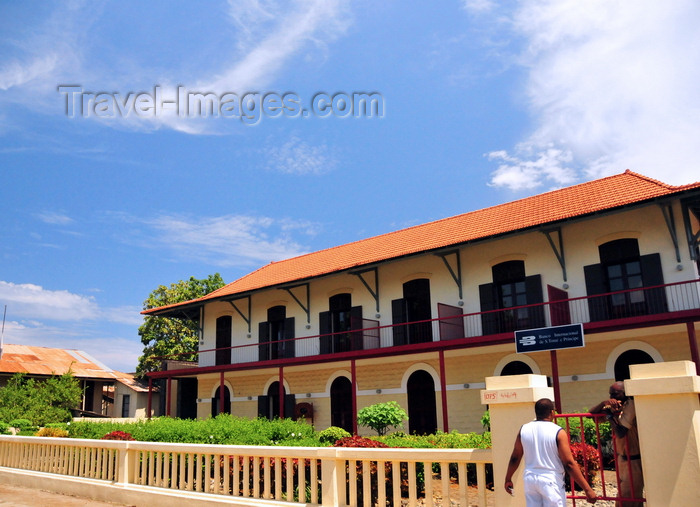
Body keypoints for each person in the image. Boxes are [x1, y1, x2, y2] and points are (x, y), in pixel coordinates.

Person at [505, 398, 597, 506]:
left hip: (530, 479)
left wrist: (508, 478)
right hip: (550, 480)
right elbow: (569, 463)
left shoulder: (524, 429)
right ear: (552, 412)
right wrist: (587, 489)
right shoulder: (558, 431)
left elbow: (515, 457)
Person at [589, 381, 643, 507]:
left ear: (625, 394)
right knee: (624, 496)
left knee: (628, 497)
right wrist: (603, 404)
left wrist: (609, 416)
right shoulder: (616, 407)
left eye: (616, 394)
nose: (612, 398)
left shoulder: (631, 406)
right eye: (610, 395)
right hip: (622, 458)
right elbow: (591, 416)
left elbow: (620, 432)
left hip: (633, 459)